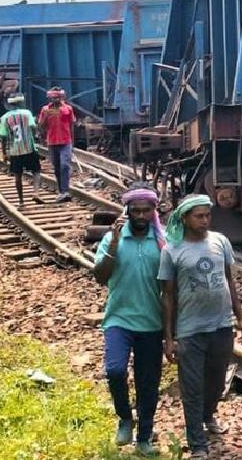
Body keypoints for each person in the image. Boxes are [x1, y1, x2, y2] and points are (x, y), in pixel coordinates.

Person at [158, 195, 242, 459]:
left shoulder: (220, 241)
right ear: (185, 218)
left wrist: (240, 316)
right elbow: (168, 296)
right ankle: (197, 443)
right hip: (190, 330)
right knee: (192, 388)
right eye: (199, 216)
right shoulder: (172, 250)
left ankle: (208, 415)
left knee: (217, 382)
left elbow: (229, 281)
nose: (205, 220)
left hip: (221, 325)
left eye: (208, 215)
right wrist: (169, 338)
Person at [94, 184, 167, 455]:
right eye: (135, 210)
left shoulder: (162, 241)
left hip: (152, 322)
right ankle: (125, 417)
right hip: (119, 319)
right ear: (126, 211)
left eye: (146, 210)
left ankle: (144, 437)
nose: (141, 215)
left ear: (153, 212)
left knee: (148, 384)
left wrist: (171, 331)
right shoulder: (112, 238)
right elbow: (100, 276)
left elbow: (171, 288)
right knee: (114, 370)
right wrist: (114, 243)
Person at [0, 94, 43, 206]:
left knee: (17, 176)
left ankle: (21, 201)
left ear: (9, 105)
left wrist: (4, 153)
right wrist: (33, 139)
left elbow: (3, 137)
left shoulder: (5, 118)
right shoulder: (27, 113)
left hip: (14, 151)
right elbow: (33, 127)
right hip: (29, 148)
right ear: (20, 103)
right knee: (36, 171)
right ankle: (36, 193)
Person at [37, 87, 75, 202]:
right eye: (53, 98)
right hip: (52, 142)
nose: (55, 100)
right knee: (57, 168)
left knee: (65, 165)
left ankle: (65, 191)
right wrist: (46, 117)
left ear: (61, 97)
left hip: (65, 142)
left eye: (57, 98)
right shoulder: (45, 110)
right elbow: (41, 126)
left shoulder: (68, 109)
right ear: (50, 98)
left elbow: (71, 125)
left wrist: (72, 142)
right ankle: (61, 191)